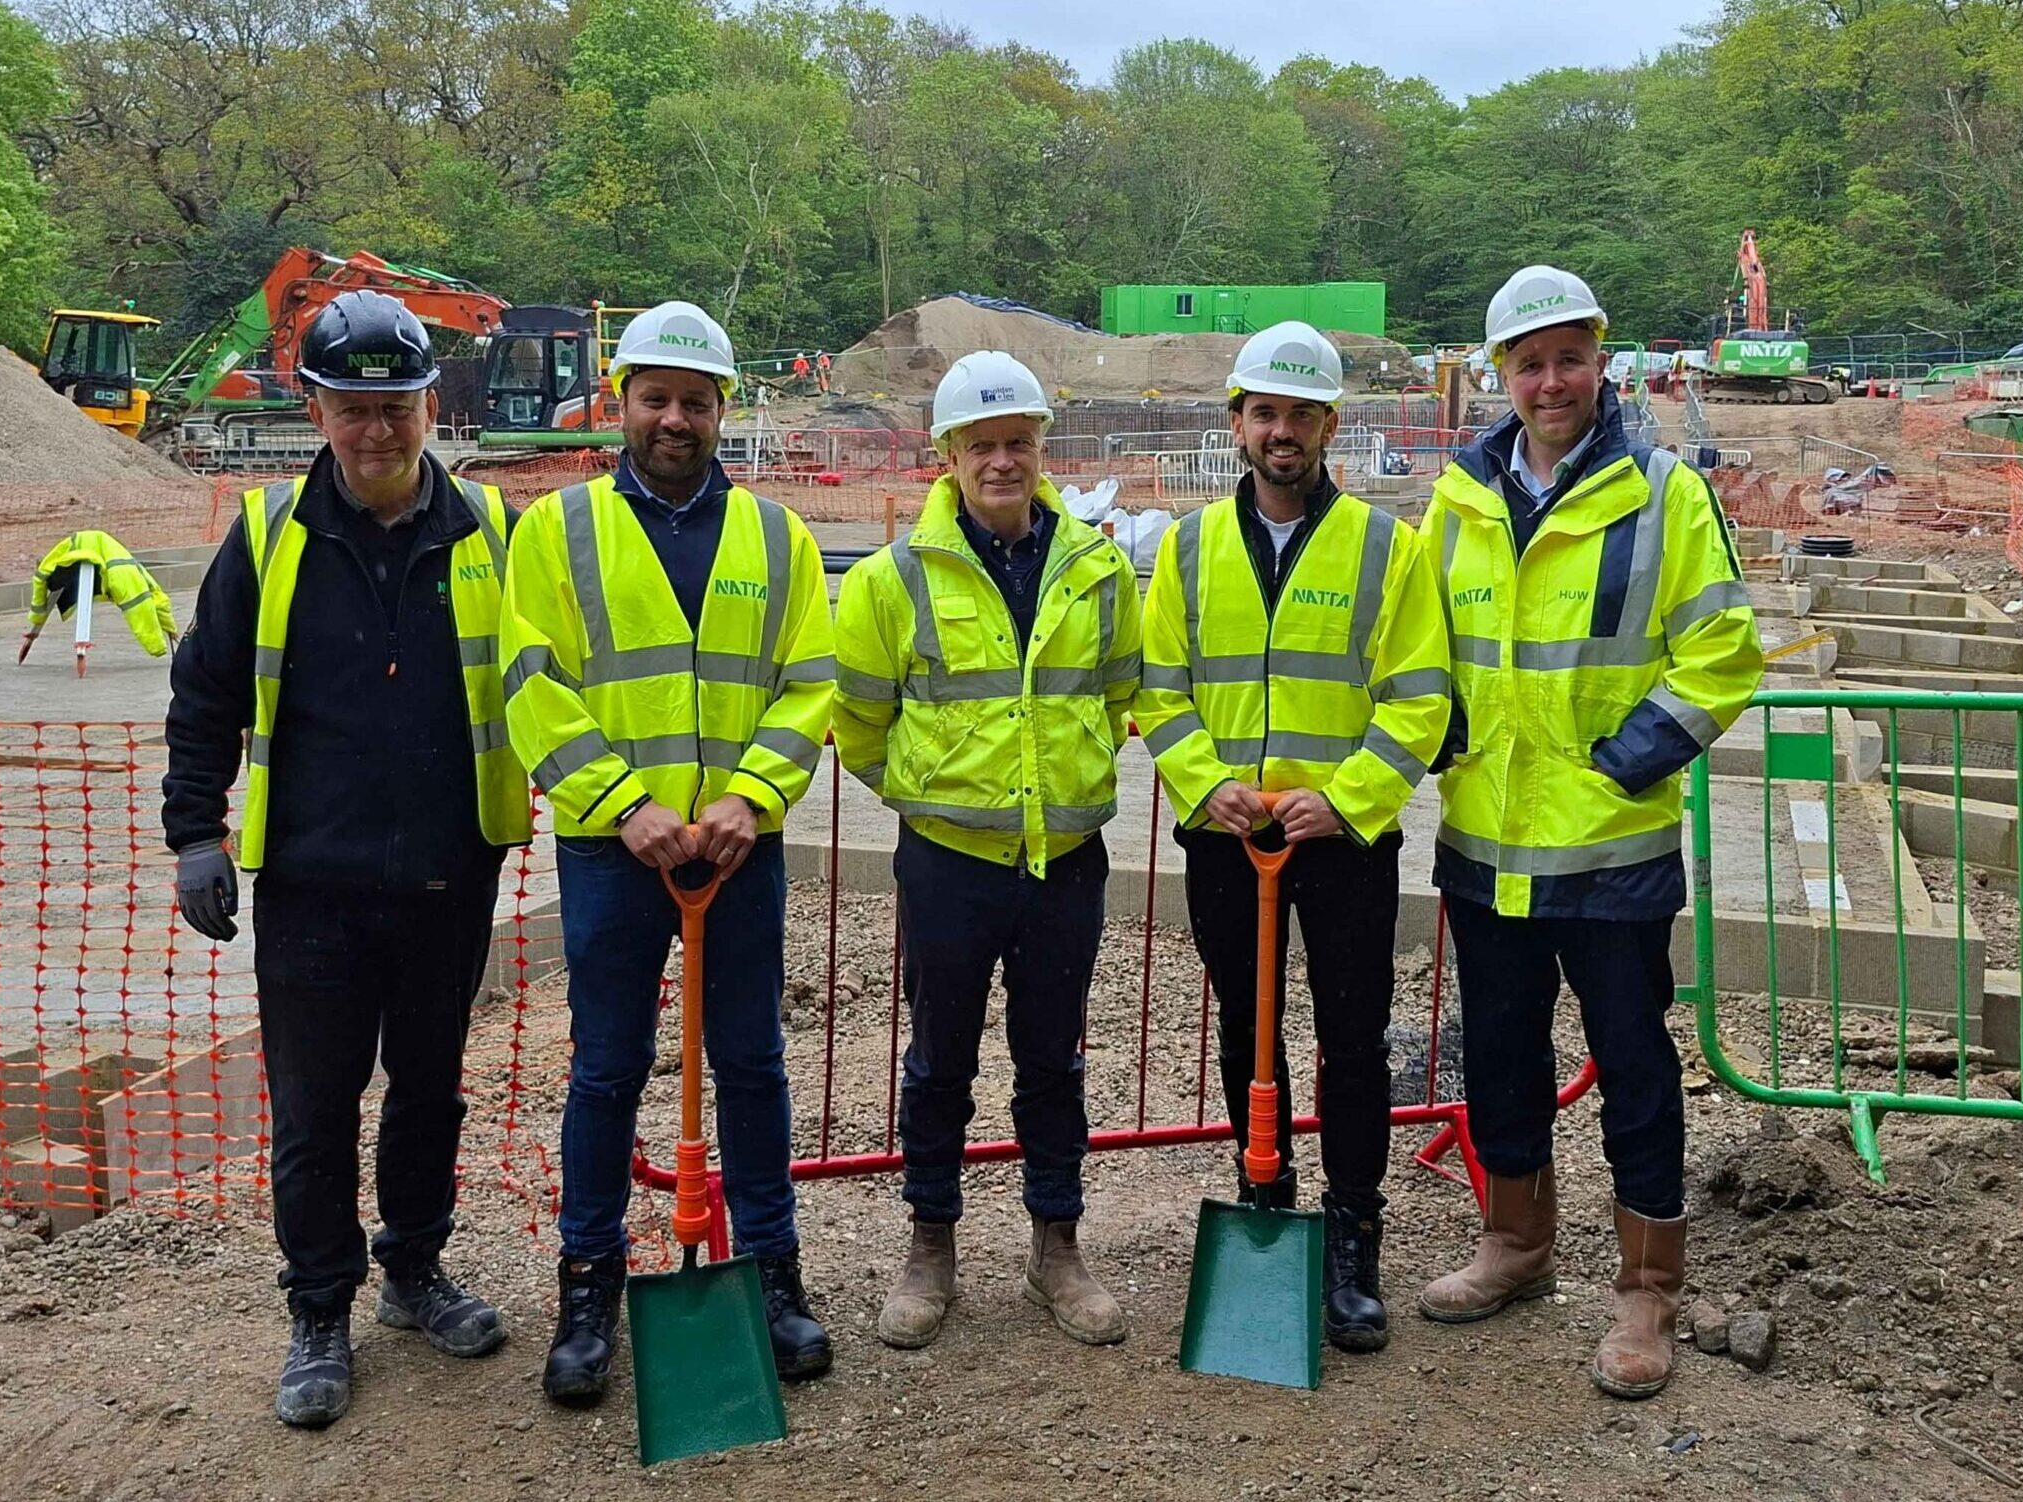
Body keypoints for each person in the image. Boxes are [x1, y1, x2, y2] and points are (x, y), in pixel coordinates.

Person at [161, 290, 532, 1429]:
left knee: (429, 1092)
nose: (376, 429)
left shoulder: (491, 529)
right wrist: (193, 833)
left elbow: (547, 677)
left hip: (447, 871)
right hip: (314, 882)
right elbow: (206, 690)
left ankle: (413, 1273)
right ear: (316, 406)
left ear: (431, 404)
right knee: (316, 1107)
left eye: (397, 405)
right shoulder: (270, 534)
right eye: (353, 405)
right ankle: (320, 1303)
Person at [1412, 265, 1763, 1400]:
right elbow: (1425, 649)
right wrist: (1439, 731)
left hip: (1612, 852)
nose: (1549, 381)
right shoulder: (1458, 498)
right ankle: (1514, 1244)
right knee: (1501, 1053)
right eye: (1529, 362)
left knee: (1633, 1064)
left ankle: (1644, 1286)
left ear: (1599, 362)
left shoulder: (1662, 492)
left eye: (1568, 358)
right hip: (1486, 845)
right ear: (1499, 373)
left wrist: (1628, 760)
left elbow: (1722, 651)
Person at [501, 300, 838, 1405]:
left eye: (696, 400)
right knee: (606, 1067)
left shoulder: (778, 537)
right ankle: (588, 1283)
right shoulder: (556, 531)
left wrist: (751, 796)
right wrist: (620, 803)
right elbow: (530, 683)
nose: (675, 418)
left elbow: (809, 682)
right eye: (656, 397)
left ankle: (772, 1273)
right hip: (616, 852)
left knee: (750, 1062)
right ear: (622, 402)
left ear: (722, 409)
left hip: (739, 850)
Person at [1134, 321, 1451, 1355]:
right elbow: (1159, 687)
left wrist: (1351, 796)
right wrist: (1205, 781)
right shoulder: (1185, 548)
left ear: (1328, 426)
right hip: (1229, 837)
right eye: (1264, 412)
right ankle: (1263, 1195)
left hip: (1341, 838)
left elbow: (1418, 697)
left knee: (1352, 1038)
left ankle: (1353, 1232)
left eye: (1301, 414)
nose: (1282, 431)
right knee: (1247, 1028)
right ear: (1237, 421)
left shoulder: (1385, 549)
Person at [832, 351, 1141, 1351]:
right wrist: (937, 799)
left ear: (1040, 448)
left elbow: (1122, 691)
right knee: (938, 1063)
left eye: (1017, 442)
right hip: (949, 862)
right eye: (982, 444)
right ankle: (931, 1247)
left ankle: (1058, 1247)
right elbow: (861, 722)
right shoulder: (894, 579)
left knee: (1053, 1056)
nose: (1001, 460)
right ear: (947, 454)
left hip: (1064, 859)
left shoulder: (1094, 567)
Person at [19, 528, 178, 662]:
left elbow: (140, 606)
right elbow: (154, 598)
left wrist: (37, 619)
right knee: (139, 600)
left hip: (109, 564)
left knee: (137, 602)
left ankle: (163, 644)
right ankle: (167, 644)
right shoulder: (124, 566)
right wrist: (166, 635)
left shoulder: (51, 562)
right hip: (109, 560)